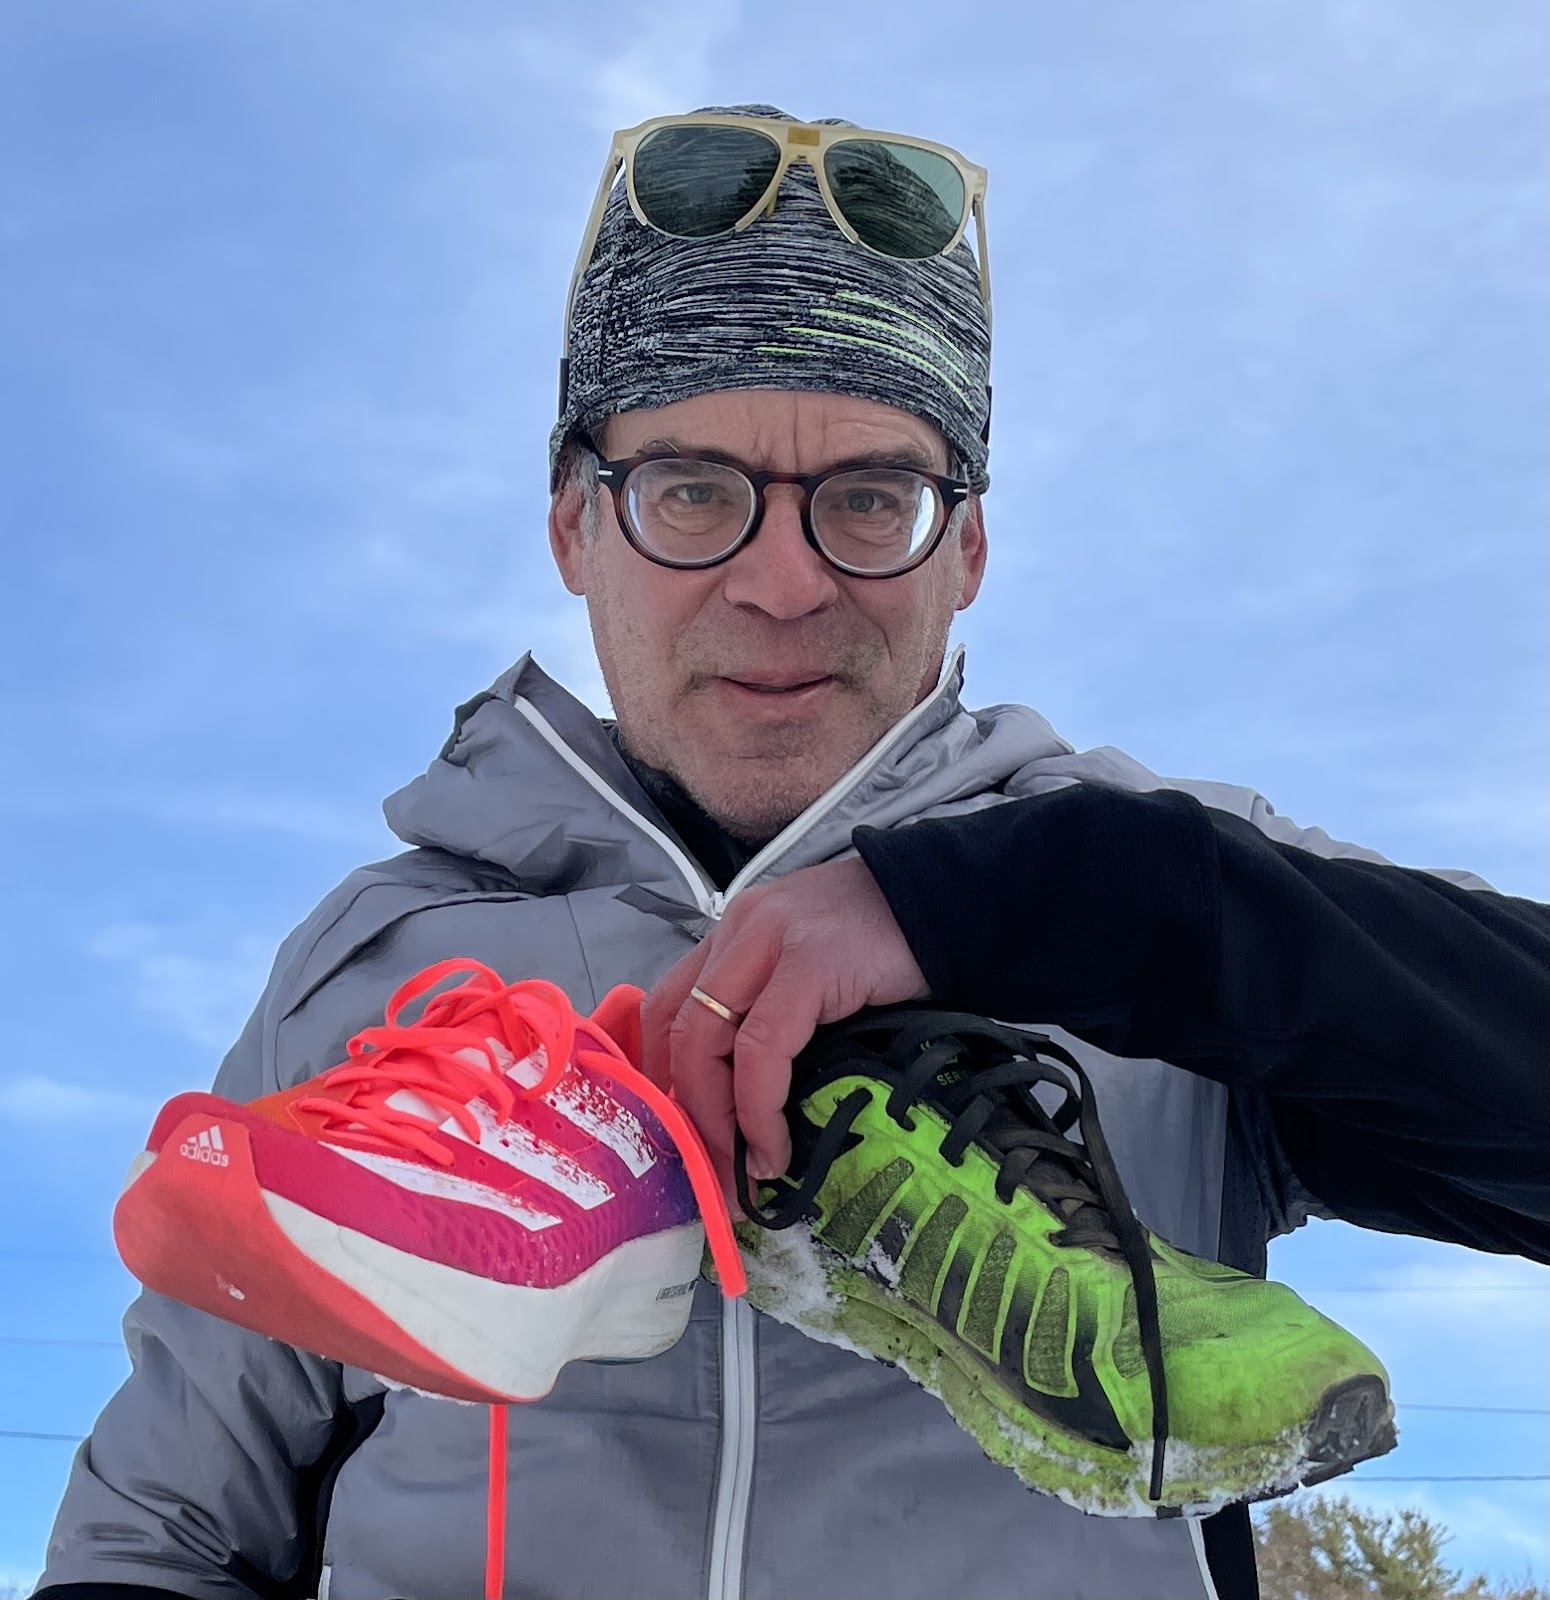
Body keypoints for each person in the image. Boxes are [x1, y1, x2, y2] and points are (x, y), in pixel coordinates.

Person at [36, 105, 1548, 1600]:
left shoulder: (1154, 902)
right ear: (573, 526)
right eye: (692, 491)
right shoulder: (384, 963)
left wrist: (1020, 902)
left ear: (965, 548)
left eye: (869, 499)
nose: (780, 582)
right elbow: (165, 1528)